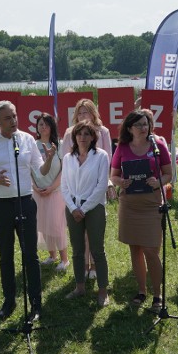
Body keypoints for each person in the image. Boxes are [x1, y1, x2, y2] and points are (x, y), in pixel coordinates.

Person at [0, 100, 56, 322]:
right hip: (1, 206)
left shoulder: (27, 139)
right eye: (8, 118)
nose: (13, 121)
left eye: (15, 116)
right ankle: (9, 301)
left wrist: (48, 161)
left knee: (30, 255)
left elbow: (40, 171)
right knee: (6, 255)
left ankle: (36, 303)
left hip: (25, 202)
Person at [110, 108, 172, 309]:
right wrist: (122, 182)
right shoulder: (122, 148)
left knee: (151, 250)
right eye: (138, 125)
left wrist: (157, 182)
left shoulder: (158, 146)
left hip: (151, 204)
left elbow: (168, 174)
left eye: (145, 124)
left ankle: (158, 294)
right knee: (135, 248)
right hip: (129, 205)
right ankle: (141, 290)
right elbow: (114, 175)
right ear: (130, 128)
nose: (143, 128)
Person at [60, 98, 116, 280]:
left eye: (86, 112)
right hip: (76, 188)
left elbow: (108, 158)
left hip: (97, 187)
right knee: (79, 237)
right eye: (80, 113)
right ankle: (83, 266)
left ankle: (94, 267)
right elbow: (67, 162)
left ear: (94, 113)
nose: (83, 116)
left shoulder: (104, 132)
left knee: (95, 234)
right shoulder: (70, 133)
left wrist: (107, 183)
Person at [62, 121, 111, 306]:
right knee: (77, 250)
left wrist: (83, 208)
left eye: (87, 134)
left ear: (93, 137)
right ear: (74, 137)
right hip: (72, 207)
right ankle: (80, 287)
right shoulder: (68, 158)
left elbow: (101, 186)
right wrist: (73, 207)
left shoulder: (101, 156)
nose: (82, 137)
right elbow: (64, 185)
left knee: (97, 250)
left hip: (94, 207)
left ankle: (103, 291)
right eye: (79, 134)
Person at [32, 113, 69, 271]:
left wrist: (52, 187)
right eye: (40, 124)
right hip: (38, 192)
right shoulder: (32, 145)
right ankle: (52, 255)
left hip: (55, 191)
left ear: (52, 127)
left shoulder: (59, 145)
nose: (43, 127)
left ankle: (64, 259)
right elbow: (27, 168)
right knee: (43, 224)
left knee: (56, 224)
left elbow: (64, 170)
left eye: (46, 124)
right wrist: (35, 187)